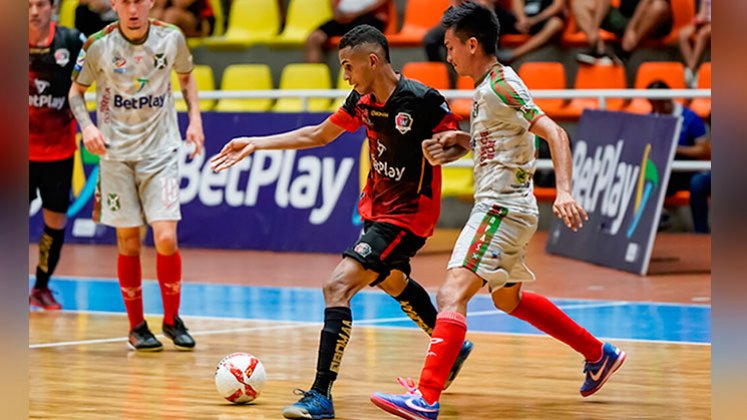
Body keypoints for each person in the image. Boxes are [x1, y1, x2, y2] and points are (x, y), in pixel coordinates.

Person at [370, 4, 626, 418]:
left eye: (452, 46)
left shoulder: (504, 84)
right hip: (508, 207)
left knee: (452, 292)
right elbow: (503, 139)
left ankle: (427, 397)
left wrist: (564, 191)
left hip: (500, 208)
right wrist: (461, 141)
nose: (447, 54)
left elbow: (554, 131)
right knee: (509, 300)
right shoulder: (488, 87)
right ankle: (599, 354)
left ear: (472, 45)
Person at [210, 24, 473, 420]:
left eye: (348, 66)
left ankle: (320, 395)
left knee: (337, 285)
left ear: (372, 60)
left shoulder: (421, 99)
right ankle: (449, 343)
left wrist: (449, 147)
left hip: (408, 216)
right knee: (392, 279)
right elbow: (318, 134)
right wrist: (256, 143)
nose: (345, 75)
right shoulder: (361, 100)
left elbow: (460, 139)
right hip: (377, 210)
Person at [68, 0, 205, 352]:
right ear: (115, 3)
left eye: (138, 1)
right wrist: (87, 128)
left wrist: (195, 123)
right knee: (128, 242)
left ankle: (173, 320)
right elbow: (75, 94)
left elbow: (187, 81)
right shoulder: (98, 45)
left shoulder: (171, 38)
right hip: (115, 156)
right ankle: (137, 326)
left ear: (151, 3)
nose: (132, 8)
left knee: (165, 238)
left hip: (161, 153)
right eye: (124, 1)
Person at [29, 0, 86, 310]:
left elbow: (90, 81)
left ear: (53, 8)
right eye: (27, 5)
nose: (34, 11)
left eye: (40, 4)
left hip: (58, 151)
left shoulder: (70, 41)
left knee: (56, 222)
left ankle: (40, 287)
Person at [647, 81, 710, 233]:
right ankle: (651, 227)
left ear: (668, 99)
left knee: (698, 184)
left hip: (688, 170)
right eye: (654, 103)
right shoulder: (650, 119)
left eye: (660, 102)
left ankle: (700, 232)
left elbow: (703, 150)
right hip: (663, 170)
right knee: (645, 178)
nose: (658, 107)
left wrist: (676, 149)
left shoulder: (690, 118)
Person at [573, 0, 672, 64]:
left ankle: (624, 54)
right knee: (580, 2)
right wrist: (594, 28)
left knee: (659, 6)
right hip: (624, 16)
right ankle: (598, 49)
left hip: (647, 18)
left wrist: (631, 28)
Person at [304, 0, 391, 63]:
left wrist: (357, 13)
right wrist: (336, 12)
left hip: (371, 15)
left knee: (360, 41)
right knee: (314, 38)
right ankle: (315, 83)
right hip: (343, 18)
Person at [678, 0, 711, 87]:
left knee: (702, 34)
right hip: (705, 23)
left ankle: (691, 71)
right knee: (682, 35)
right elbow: (703, 12)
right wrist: (698, 20)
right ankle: (694, 74)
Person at [150, 0, 215, 38]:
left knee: (172, 15)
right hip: (174, 24)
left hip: (201, 23)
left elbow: (180, 3)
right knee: (155, 14)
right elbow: (155, 6)